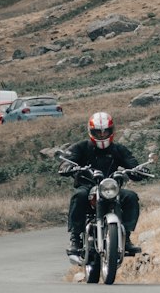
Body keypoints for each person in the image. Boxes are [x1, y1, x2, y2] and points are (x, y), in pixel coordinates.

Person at [61, 111, 147, 263]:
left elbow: (131, 162)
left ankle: (126, 237)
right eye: (98, 132)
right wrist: (67, 166)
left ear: (111, 131)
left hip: (111, 188)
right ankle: (75, 239)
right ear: (91, 132)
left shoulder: (118, 149)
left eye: (105, 131)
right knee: (79, 196)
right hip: (88, 186)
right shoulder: (81, 147)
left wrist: (139, 170)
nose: (102, 135)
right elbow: (68, 159)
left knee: (131, 197)